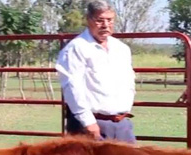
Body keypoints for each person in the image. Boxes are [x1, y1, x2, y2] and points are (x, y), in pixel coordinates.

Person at [55, 0, 137, 144]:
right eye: (100, 20)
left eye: (109, 20)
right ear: (88, 20)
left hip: (122, 124)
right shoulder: (76, 48)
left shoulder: (121, 49)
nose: (105, 25)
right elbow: (72, 87)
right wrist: (88, 123)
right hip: (91, 125)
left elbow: (128, 82)